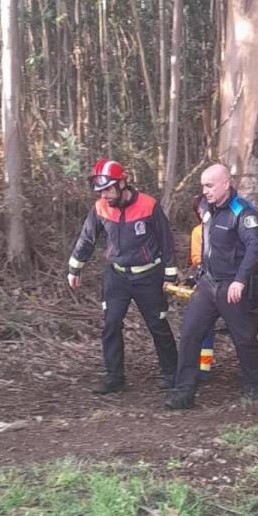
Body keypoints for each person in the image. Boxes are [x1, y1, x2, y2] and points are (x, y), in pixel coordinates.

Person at [67, 159, 179, 394]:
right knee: (111, 325)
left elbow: (166, 241)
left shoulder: (148, 205)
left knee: (157, 325)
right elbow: (87, 238)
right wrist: (75, 268)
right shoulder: (100, 208)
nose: (105, 195)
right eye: (101, 191)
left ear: (122, 183)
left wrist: (170, 274)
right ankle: (114, 377)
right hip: (116, 276)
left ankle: (171, 373)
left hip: (148, 276)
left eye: (108, 189)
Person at [165, 164, 258, 409]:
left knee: (244, 339)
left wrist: (241, 280)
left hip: (232, 284)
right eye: (203, 186)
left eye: (209, 185)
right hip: (208, 283)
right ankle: (184, 392)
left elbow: (255, 247)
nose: (205, 191)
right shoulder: (205, 206)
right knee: (190, 333)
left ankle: (254, 386)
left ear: (225, 183)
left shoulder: (242, 212)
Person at [187, 197, 217, 379]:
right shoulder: (198, 232)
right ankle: (202, 368)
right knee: (204, 326)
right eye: (199, 209)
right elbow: (196, 258)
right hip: (205, 279)